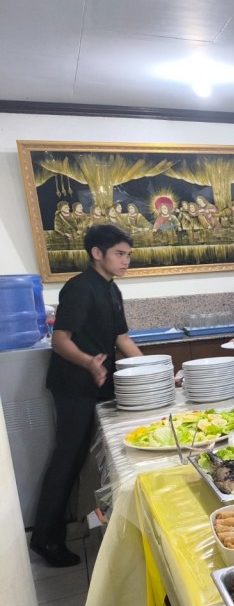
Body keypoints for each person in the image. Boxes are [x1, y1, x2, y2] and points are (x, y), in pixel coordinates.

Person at [33, 224, 142, 566]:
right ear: (97, 253)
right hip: (74, 387)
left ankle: (76, 527)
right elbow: (60, 340)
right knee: (68, 458)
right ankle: (45, 538)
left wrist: (151, 369)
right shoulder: (79, 288)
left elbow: (122, 338)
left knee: (86, 458)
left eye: (128, 255)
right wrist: (88, 363)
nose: (125, 261)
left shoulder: (111, 289)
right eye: (119, 254)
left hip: (97, 383)